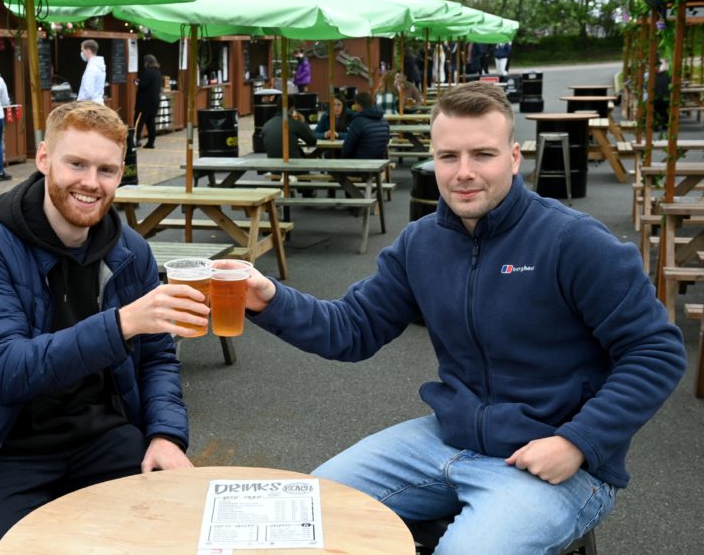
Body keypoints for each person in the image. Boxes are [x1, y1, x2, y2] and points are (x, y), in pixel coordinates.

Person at [241, 81, 686, 552]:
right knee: (302, 513)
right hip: (445, 440)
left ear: (514, 158)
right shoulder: (421, 243)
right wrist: (268, 298)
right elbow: (351, 329)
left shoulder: (573, 242)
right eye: (449, 157)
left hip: (555, 458)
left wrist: (578, 442)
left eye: (483, 155)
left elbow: (655, 351)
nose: (464, 173)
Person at [0, 101, 203, 554]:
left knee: (173, 537)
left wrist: (165, 435)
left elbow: (157, 358)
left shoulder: (129, 249)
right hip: (6, 443)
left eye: (107, 170)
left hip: (103, 437)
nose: (91, 183)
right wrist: (120, 324)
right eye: (76, 163)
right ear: (43, 159)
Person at [342, 91, 389, 160]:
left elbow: (347, 149)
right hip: (379, 162)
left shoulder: (358, 122)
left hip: (360, 162)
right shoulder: (384, 121)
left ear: (358, 106)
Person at [134, 54, 163, 149]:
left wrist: (136, 81)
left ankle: (136, 140)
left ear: (147, 62)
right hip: (154, 102)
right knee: (151, 123)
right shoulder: (158, 72)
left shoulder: (148, 72)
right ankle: (151, 142)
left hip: (144, 103)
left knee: (138, 122)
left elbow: (142, 85)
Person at [77, 39, 106, 103]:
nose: (82, 53)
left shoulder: (91, 68)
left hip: (90, 106)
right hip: (98, 103)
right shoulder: (99, 66)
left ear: (88, 51)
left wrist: (78, 103)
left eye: (82, 50)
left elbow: (88, 92)